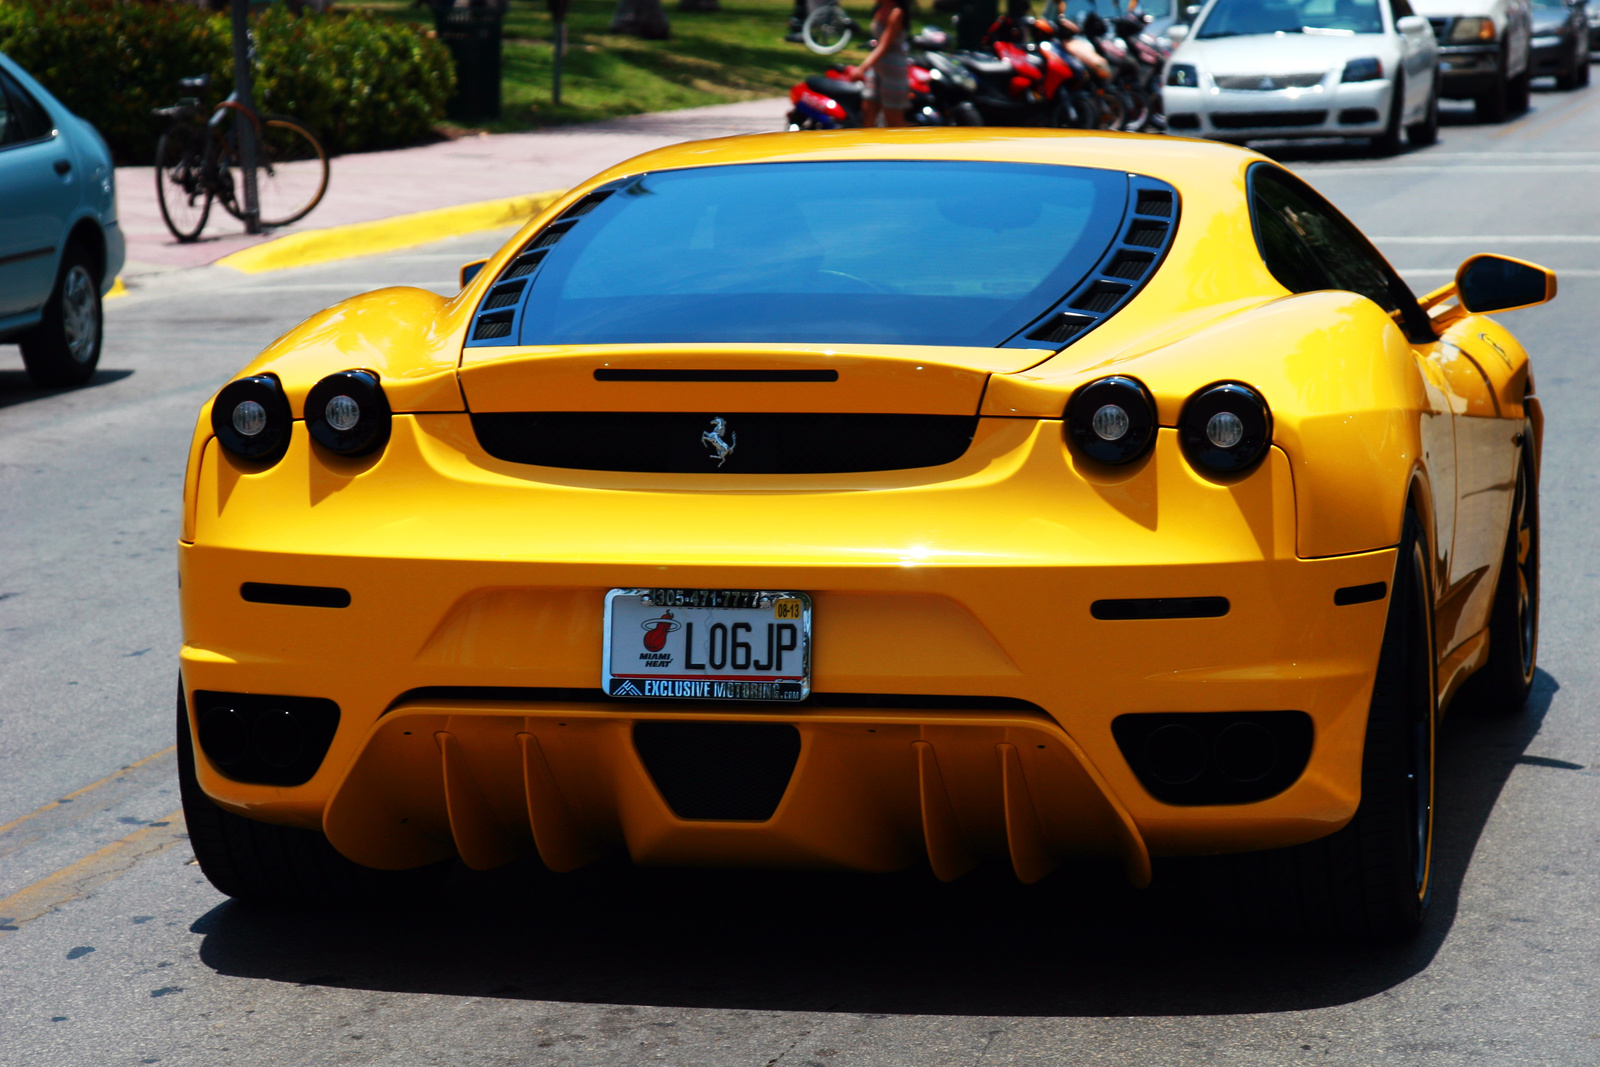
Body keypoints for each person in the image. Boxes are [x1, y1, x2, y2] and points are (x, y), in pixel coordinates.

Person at [845, 0, 912, 127]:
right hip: (876, 68)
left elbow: (883, 46)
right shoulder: (879, 9)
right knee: (867, 113)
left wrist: (861, 68)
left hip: (893, 70)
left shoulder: (896, 12)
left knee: (893, 120)